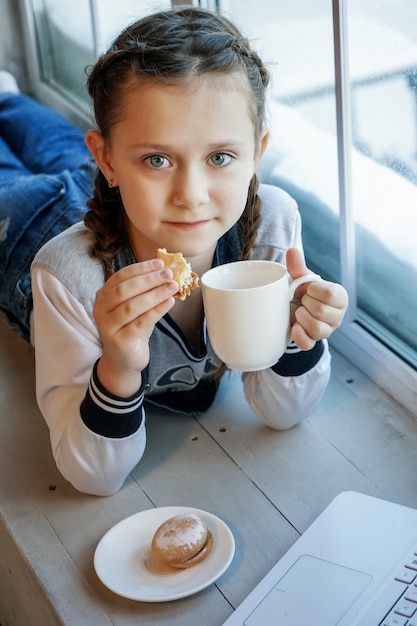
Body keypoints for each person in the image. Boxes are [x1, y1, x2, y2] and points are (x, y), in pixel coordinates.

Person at [0, 7, 348, 496]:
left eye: (220, 157)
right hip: (31, 225)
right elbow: (92, 476)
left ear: (256, 153)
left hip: (118, 198)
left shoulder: (271, 227)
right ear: (110, 159)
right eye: (158, 159)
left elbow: (284, 411)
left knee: (57, 149)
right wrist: (117, 365)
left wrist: (295, 335)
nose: (192, 194)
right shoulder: (68, 276)